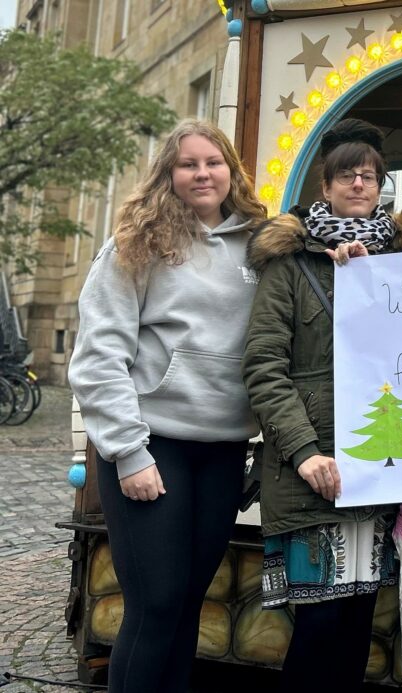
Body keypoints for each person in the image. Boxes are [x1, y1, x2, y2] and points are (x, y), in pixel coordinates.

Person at [68, 120, 266, 693]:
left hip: (222, 451)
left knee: (185, 605)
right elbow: (98, 356)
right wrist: (129, 453)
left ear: (231, 170)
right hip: (152, 447)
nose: (202, 173)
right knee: (154, 606)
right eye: (188, 164)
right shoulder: (138, 243)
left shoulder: (261, 244)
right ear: (168, 175)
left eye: (213, 162)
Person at [242, 118, 402, 691]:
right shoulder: (290, 264)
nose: (358, 185)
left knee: (355, 626)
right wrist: (302, 453)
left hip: (376, 470)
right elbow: (264, 367)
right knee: (319, 624)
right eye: (346, 175)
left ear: (381, 188)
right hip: (313, 472)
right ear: (324, 186)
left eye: (369, 176)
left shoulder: (401, 263)